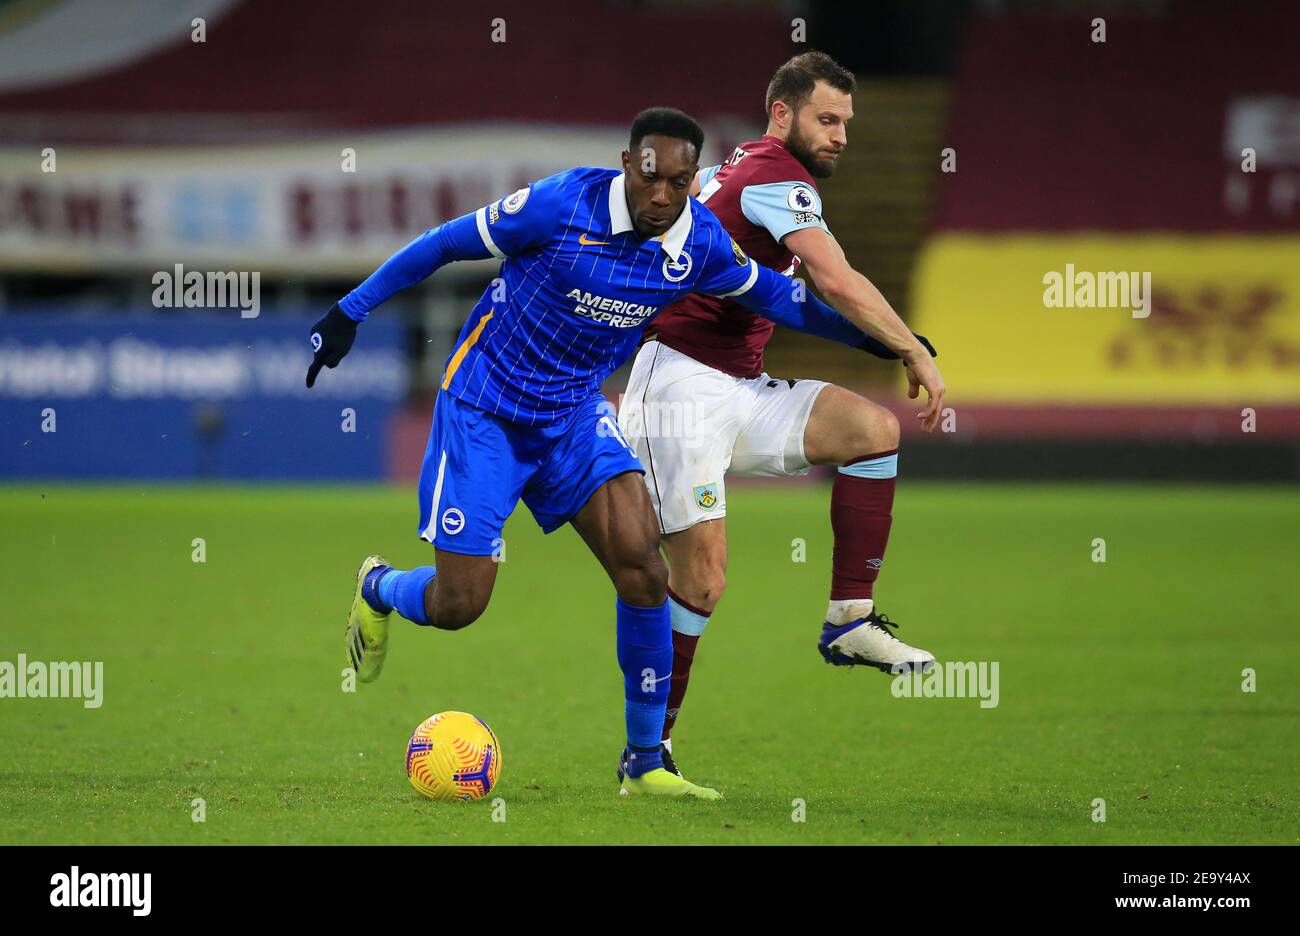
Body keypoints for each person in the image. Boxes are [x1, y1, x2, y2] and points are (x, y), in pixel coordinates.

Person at [305, 107, 933, 798]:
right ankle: (379, 588)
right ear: (629, 162)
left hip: (574, 417)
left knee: (643, 571)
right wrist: (350, 312)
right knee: (460, 604)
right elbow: (443, 244)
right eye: (650, 176)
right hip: (485, 412)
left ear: (696, 181)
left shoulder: (701, 242)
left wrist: (891, 343)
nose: (662, 195)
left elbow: (786, 300)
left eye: (679, 182)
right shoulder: (560, 203)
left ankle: (645, 761)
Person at [616, 53, 947, 783]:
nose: (841, 137)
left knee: (873, 432)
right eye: (827, 120)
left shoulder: (750, 164)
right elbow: (834, 279)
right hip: (679, 388)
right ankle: (647, 755)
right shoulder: (773, 172)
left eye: (847, 124)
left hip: (739, 384)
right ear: (782, 114)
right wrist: (911, 350)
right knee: (699, 581)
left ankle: (849, 621)